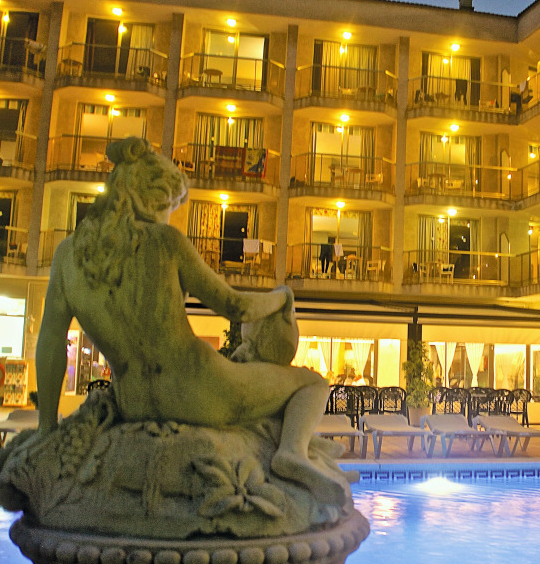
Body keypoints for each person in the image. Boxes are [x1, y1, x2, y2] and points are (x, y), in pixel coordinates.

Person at [34, 137, 347, 502]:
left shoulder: (67, 256)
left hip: (133, 400)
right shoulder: (165, 241)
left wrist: (46, 426)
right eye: (170, 205)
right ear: (154, 200)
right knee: (310, 382)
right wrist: (282, 297)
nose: (169, 215)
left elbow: (51, 340)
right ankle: (292, 454)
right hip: (199, 390)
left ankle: (308, 451)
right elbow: (236, 307)